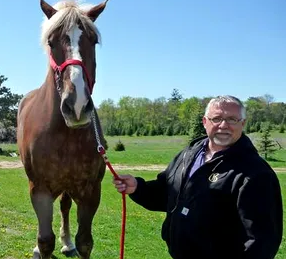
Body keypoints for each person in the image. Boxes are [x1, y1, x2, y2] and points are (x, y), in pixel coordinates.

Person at [113, 95, 283, 259]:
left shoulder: (255, 173)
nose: (224, 125)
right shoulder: (189, 155)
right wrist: (137, 187)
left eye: (232, 119)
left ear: (243, 123)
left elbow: (262, 242)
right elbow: (167, 192)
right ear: (204, 122)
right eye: (216, 119)